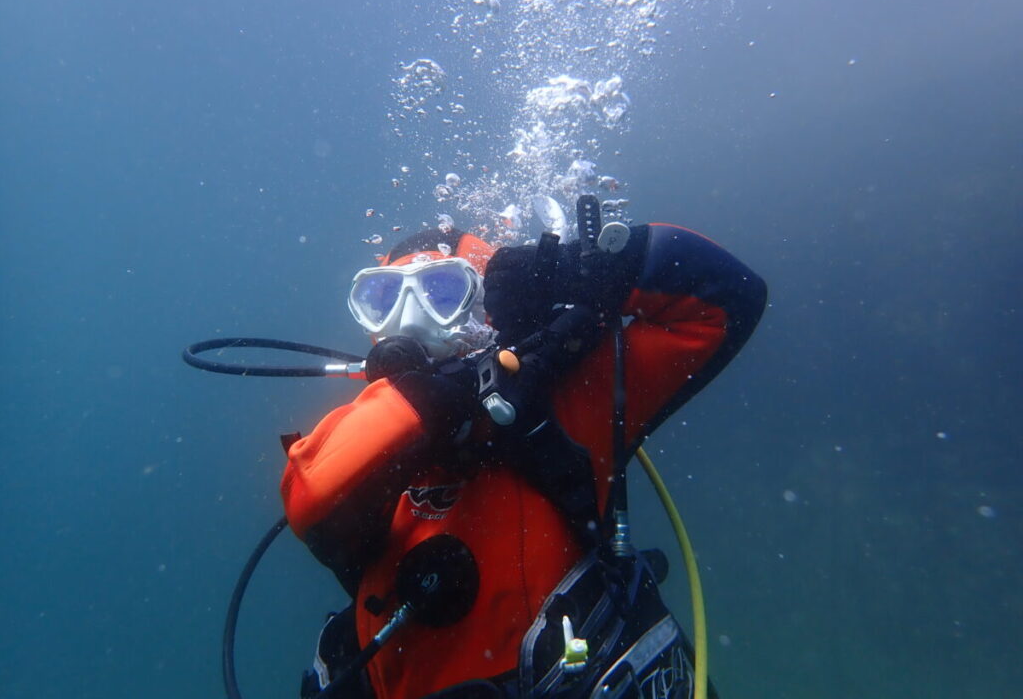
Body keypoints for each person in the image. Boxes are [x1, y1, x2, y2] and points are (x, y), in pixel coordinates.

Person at [280, 217, 767, 699]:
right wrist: (432, 401)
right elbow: (310, 497)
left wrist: (569, 270)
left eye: (442, 291)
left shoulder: (574, 396)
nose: (407, 320)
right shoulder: (372, 429)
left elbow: (727, 293)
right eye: (384, 299)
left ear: (488, 303)